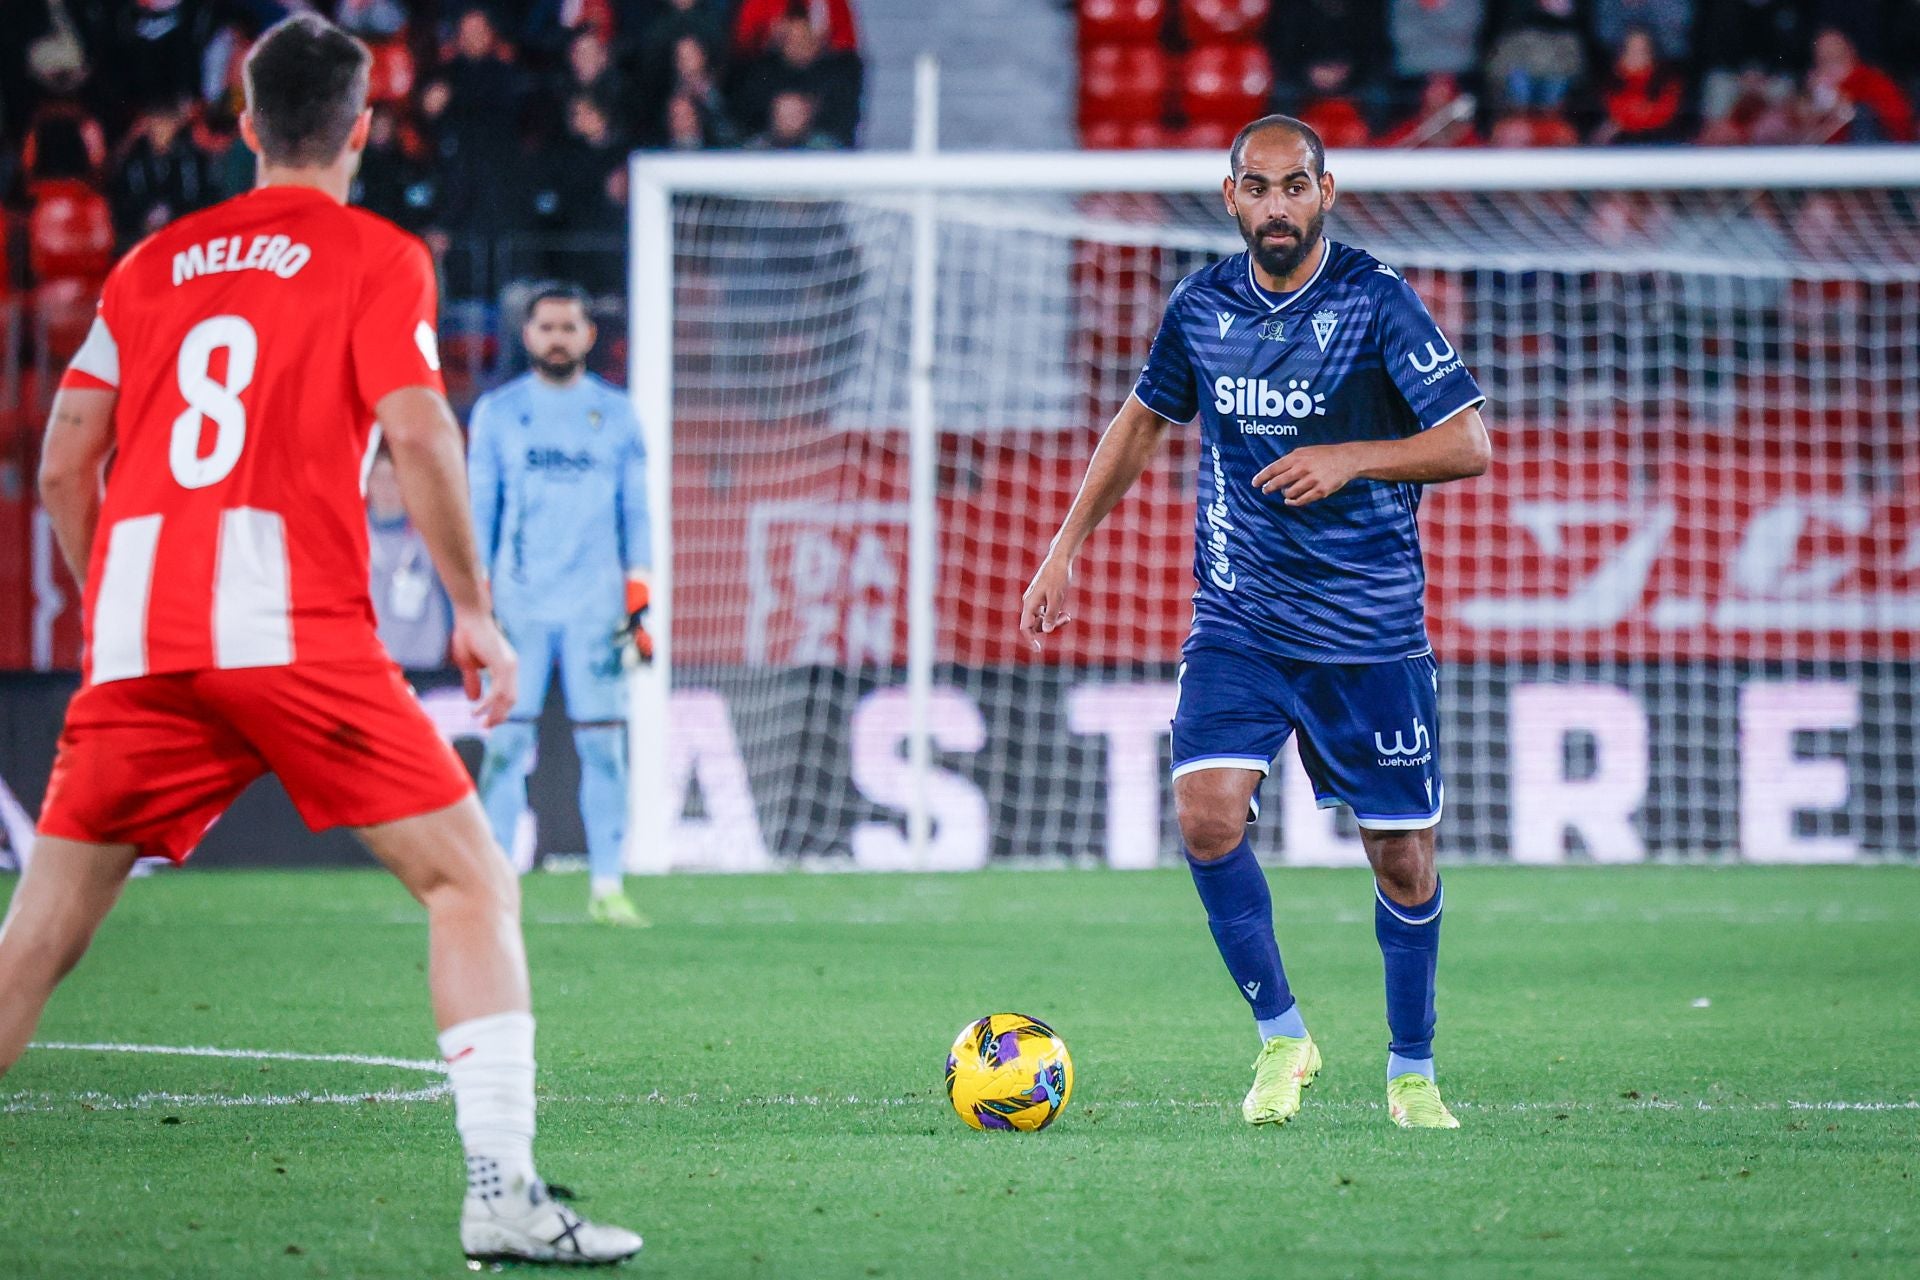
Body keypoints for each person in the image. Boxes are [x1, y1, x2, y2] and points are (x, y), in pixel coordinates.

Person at [0, 15, 642, 1266]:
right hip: (287, 622)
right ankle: (503, 1193)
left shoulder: (148, 264)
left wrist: (115, 602)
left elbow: (66, 457)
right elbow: (421, 432)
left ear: (243, 127)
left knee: (37, 938)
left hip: (144, 635)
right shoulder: (374, 253)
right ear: (361, 128)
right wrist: (469, 608)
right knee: (469, 879)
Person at [1021, 115, 1491, 1130]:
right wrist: (1065, 545)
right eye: (1259, 188)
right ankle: (1283, 1034)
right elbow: (1144, 419)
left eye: (1295, 187)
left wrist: (1351, 457)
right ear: (1230, 196)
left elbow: (1468, 443)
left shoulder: (1377, 301)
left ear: (1329, 192)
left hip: (1369, 630)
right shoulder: (1200, 305)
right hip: (1240, 616)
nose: (1278, 206)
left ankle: (1411, 1068)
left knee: (1402, 857)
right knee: (1205, 815)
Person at [468, 283, 653, 927]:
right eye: (546, 327)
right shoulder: (498, 413)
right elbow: (477, 512)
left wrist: (639, 599)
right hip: (518, 606)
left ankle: (607, 884)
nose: (557, 338)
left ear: (588, 335)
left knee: (604, 748)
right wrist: (476, 599)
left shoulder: (619, 415)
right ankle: (494, 886)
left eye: (568, 327)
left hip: (595, 608)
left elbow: (637, 513)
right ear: (527, 335)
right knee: (504, 748)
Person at [368, 448, 453, 671]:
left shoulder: (433, 534)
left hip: (424, 664)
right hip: (369, 662)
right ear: (367, 482)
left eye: (395, 478)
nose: (387, 487)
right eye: (379, 477)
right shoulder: (351, 535)